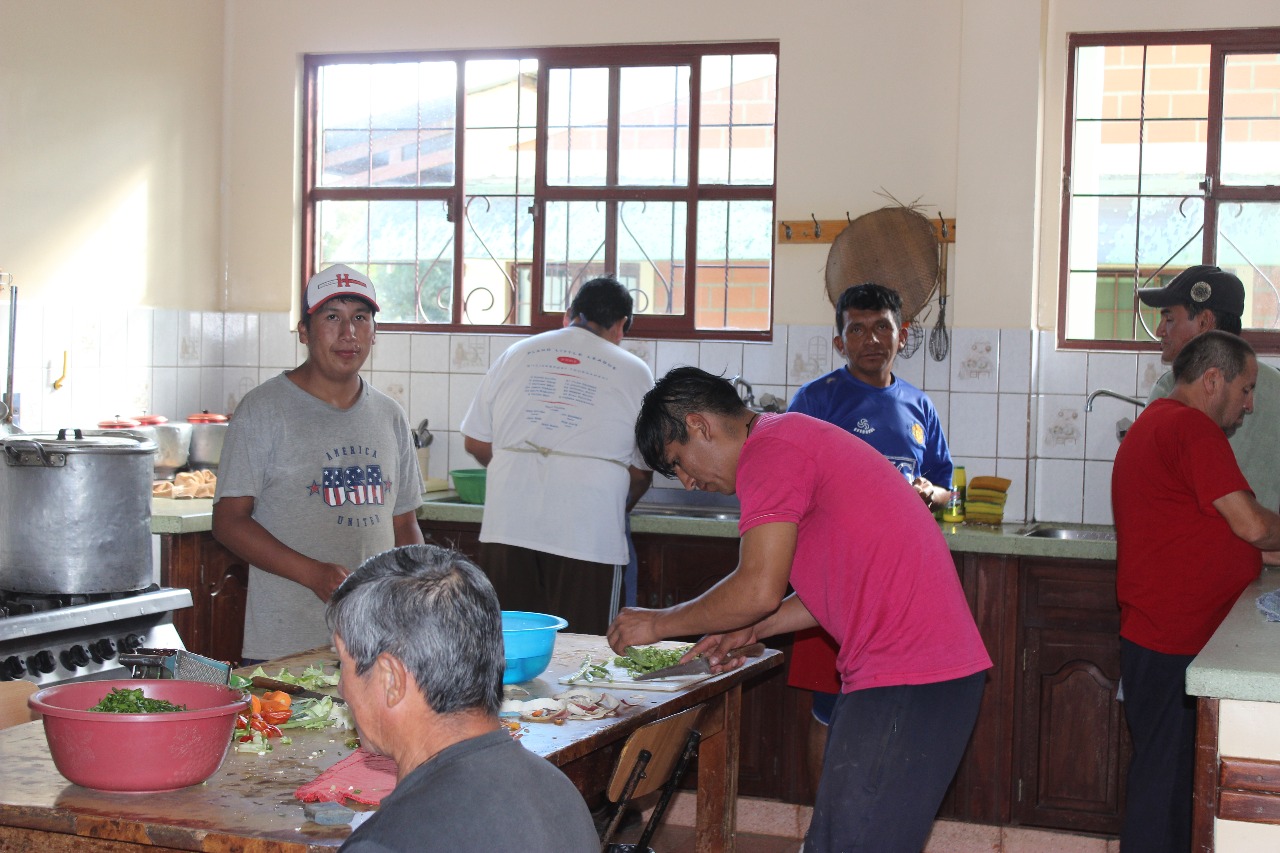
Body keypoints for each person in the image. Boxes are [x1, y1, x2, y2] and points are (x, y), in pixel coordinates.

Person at [607, 367, 991, 852]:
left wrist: (660, 623)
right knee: (836, 841)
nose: (686, 481)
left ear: (700, 425)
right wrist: (751, 629)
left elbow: (757, 587)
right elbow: (823, 591)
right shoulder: (786, 439)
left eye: (679, 461)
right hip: (918, 676)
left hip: (911, 677)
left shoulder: (769, 452)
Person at [1112, 330, 1280, 852]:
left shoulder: (1159, 424)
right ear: (1213, 380)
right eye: (1246, 390)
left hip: (1162, 640)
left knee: (1172, 787)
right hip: (1173, 644)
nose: (1250, 406)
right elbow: (1252, 525)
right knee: (1165, 794)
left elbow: (1224, 536)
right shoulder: (1191, 428)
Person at [213, 264, 425, 662]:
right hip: (285, 649)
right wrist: (314, 574)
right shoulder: (263, 410)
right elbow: (228, 521)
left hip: (375, 646)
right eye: (333, 318)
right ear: (305, 332)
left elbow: (404, 524)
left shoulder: (390, 416)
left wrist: (414, 595)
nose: (348, 334)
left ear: (374, 333)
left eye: (360, 319)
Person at [786, 282, 955, 781]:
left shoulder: (920, 407)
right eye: (856, 329)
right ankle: (825, 833)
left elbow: (948, 491)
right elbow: (790, 486)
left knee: (887, 710)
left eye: (882, 326)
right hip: (829, 588)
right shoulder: (817, 400)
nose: (871, 339)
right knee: (828, 712)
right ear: (839, 342)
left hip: (897, 590)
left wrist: (932, 493)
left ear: (902, 335)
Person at [328, 544, 599, 853]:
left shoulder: (386, 843)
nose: (341, 688)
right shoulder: (558, 792)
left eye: (343, 665)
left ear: (391, 679)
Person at [460, 275, 654, 635]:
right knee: (585, 649)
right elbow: (642, 472)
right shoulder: (634, 370)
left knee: (507, 647)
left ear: (569, 314)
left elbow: (474, 442)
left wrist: (521, 471)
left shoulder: (516, 353)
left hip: (507, 527)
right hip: (588, 536)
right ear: (621, 326)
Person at [1141, 264, 1280, 513]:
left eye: (1169, 318)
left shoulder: (1173, 389)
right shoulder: (1276, 385)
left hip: (1202, 547)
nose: (1161, 330)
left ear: (1205, 321)